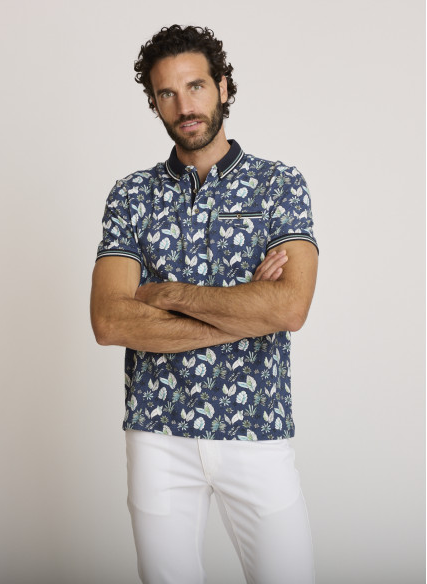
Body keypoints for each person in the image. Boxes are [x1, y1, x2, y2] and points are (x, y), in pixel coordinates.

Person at [90, 24, 319, 584]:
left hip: (256, 428)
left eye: (195, 86)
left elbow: (289, 308)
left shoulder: (278, 185)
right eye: (166, 93)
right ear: (154, 102)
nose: (184, 106)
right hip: (156, 431)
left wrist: (165, 294)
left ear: (222, 86)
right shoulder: (131, 195)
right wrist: (247, 313)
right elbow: (109, 320)